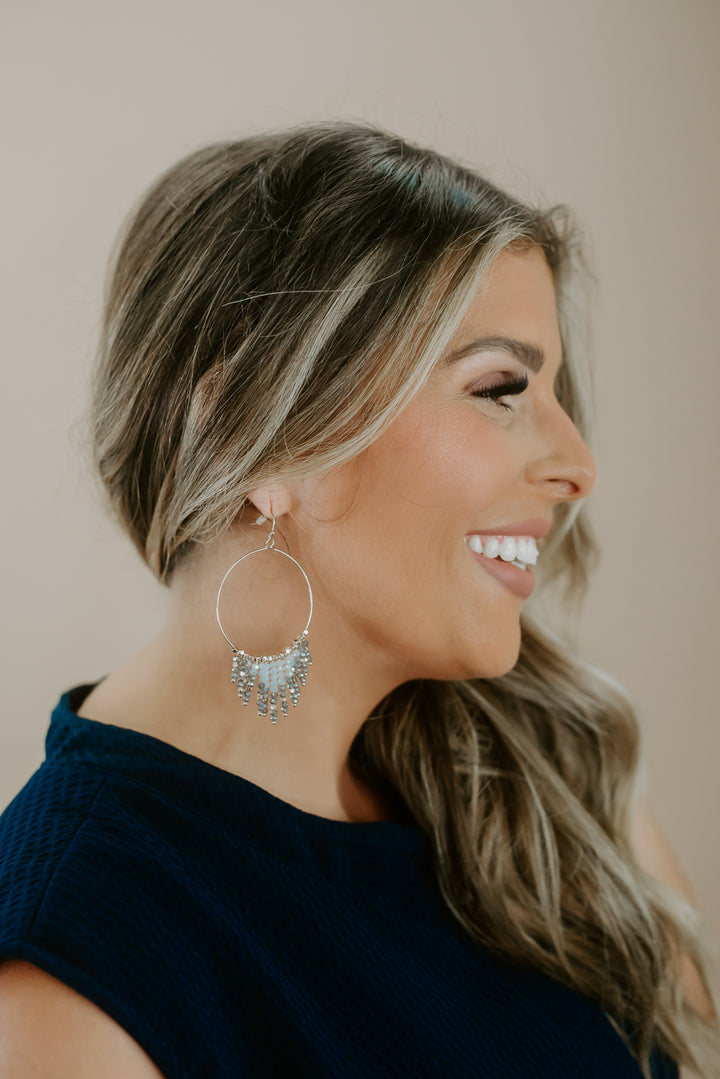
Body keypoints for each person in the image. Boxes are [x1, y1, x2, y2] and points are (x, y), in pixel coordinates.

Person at [0, 121, 717, 1079]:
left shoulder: (547, 772)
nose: (578, 466)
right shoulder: (65, 982)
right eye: (500, 386)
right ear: (255, 435)